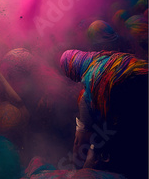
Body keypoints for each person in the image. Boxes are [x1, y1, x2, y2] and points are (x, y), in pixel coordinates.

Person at [61, 50, 148, 178]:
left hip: (132, 116)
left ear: (71, 72)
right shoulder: (108, 58)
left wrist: (77, 171)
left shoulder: (87, 93)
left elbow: (80, 141)